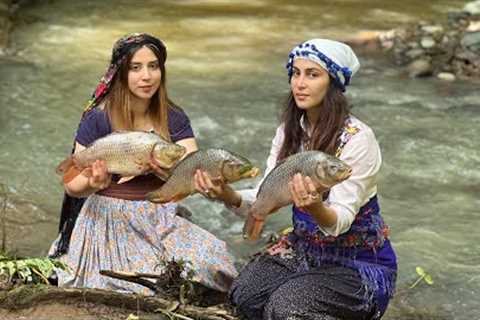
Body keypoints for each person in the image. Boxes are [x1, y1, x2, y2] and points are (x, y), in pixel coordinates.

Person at [194, 39, 397, 319]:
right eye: (296, 73)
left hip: (357, 265)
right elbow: (265, 195)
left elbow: (340, 220)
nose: (300, 83)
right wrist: (226, 194)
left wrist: (315, 207)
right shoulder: (289, 131)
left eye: (312, 75)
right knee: (245, 296)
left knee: (287, 306)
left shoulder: (358, 139)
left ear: (333, 84)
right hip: (304, 252)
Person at [49, 33, 238, 295]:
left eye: (153, 66)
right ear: (120, 73)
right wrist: (92, 183)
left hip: (159, 216)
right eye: (135, 68)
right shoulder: (98, 119)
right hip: (107, 219)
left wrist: (178, 176)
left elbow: (192, 168)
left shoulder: (174, 117)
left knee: (219, 263)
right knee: (132, 286)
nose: (146, 76)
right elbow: (71, 185)